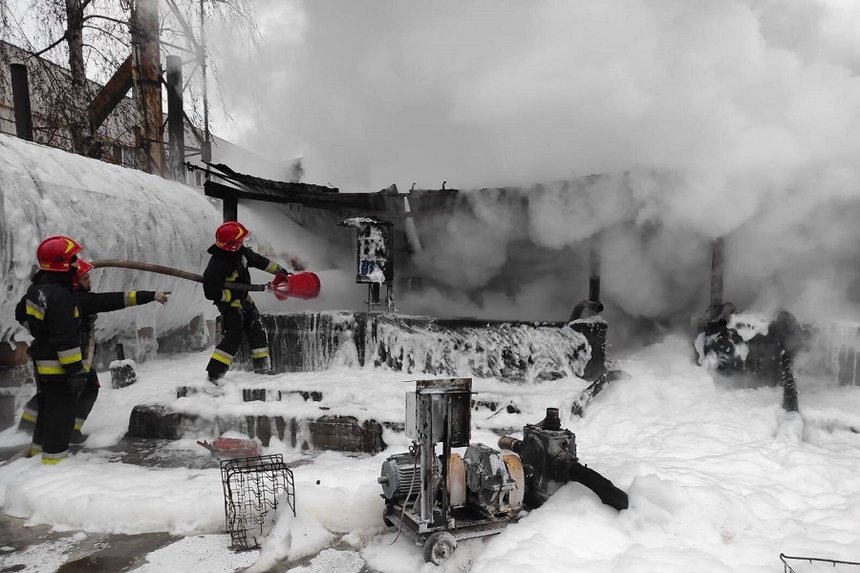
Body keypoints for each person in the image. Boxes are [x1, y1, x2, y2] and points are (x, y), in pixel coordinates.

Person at [18, 259, 171, 443]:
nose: (89, 281)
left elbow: (20, 313)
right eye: (85, 278)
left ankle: (29, 429)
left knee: (54, 393)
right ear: (75, 282)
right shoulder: (78, 300)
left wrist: (41, 332)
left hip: (56, 355)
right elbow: (114, 299)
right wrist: (151, 295)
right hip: (66, 358)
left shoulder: (45, 293)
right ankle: (59, 432)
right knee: (81, 389)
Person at [14, 235, 87, 464]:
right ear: (62, 263)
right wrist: (75, 370)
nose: (77, 263)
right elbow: (65, 337)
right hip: (59, 367)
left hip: (42, 361)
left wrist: (41, 332)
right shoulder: (60, 296)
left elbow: (20, 313)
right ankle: (54, 463)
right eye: (73, 259)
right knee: (60, 416)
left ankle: (38, 454)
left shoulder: (36, 289)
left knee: (46, 410)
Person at [203, 221, 292, 383]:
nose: (242, 243)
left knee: (256, 329)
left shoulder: (241, 252)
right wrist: (231, 297)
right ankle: (214, 374)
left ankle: (263, 367)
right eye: (240, 241)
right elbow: (210, 293)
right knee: (233, 336)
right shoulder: (216, 266)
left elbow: (259, 261)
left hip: (244, 299)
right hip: (230, 304)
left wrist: (280, 271)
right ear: (231, 244)